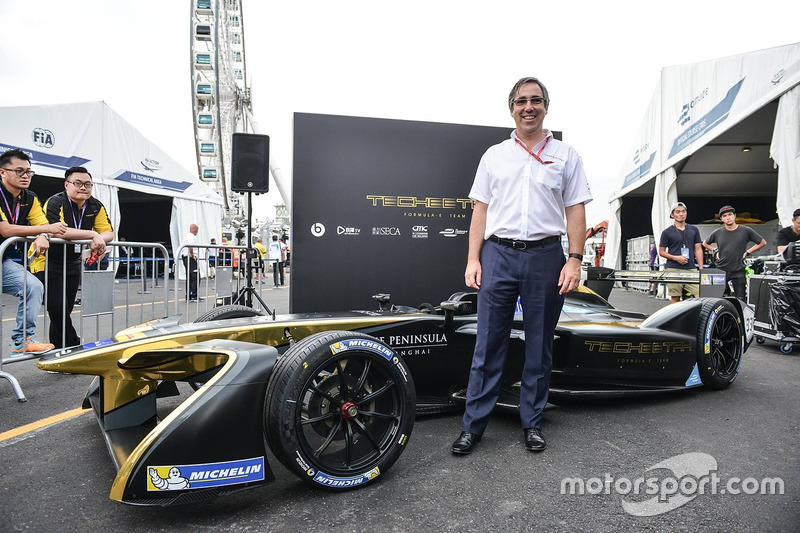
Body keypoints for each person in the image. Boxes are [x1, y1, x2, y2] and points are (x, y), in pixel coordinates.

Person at [453, 77, 592, 455]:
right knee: (488, 344)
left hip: (546, 256)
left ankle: (532, 422)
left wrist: (575, 259)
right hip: (498, 255)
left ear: (546, 106)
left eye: (535, 101)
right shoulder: (494, 155)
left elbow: (575, 208)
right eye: (520, 102)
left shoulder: (566, 155)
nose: (528, 107)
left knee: (539, 345)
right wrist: (472, 258)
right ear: (511, 108)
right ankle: (473, 427)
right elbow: (480, 209)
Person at [30, 167, 114, 348]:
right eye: (78, 183)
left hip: (73, 262)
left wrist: (99, 238)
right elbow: (58, 231)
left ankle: (58, 352)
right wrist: (92, 235)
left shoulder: (95, 205)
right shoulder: (55, 202)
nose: (83, 187)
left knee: (64, 311)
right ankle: (74, 345)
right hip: (46, 261)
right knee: (57, 309)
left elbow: (108, 232)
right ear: (66, 184)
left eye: (88, 184)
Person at [0, 149, 67, 354]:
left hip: (2, 262)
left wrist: (43, 235)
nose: (25, 176)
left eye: (29, 172)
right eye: (19, 171)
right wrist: (46, 230)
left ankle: (23, 341)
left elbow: (43, 224)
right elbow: (5, 229)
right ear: (2, 172)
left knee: (34, 287)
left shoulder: (30, 197)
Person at [703, 205, 766, 299]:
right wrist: (715, 250)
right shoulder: (718, 232)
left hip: (738, 269)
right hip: (721, 269)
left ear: (734, 216)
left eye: (730, 214)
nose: (728, 217)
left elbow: (762, 242)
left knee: (740, 298)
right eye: (724, 216)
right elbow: (705, 243)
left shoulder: (745, 230)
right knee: (717, 297)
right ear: (721, 219)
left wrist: (747, 252)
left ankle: (739, 314)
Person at [658, 202, 703, 304]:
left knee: (699, 295)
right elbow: (661, 252)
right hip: (673, 268)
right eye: (678, 212)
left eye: (683, 211)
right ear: (672, 215)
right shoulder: (667, 232)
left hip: (691, 268)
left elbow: (698, 249)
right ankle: (676, 319)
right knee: (675, 298)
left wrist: (701, 268)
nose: (681, 214)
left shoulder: (694, 230)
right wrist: (676, 258)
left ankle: (698, 318)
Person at [181, 223, 201, 301]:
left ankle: (189, 295)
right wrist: (193, 256)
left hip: (186, 258)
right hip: (190, 259)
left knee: (189, 277)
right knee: (195, 277)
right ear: (195, 230)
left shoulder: (187, 236)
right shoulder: (192, 237)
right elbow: (191, 246)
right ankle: (194, 295)